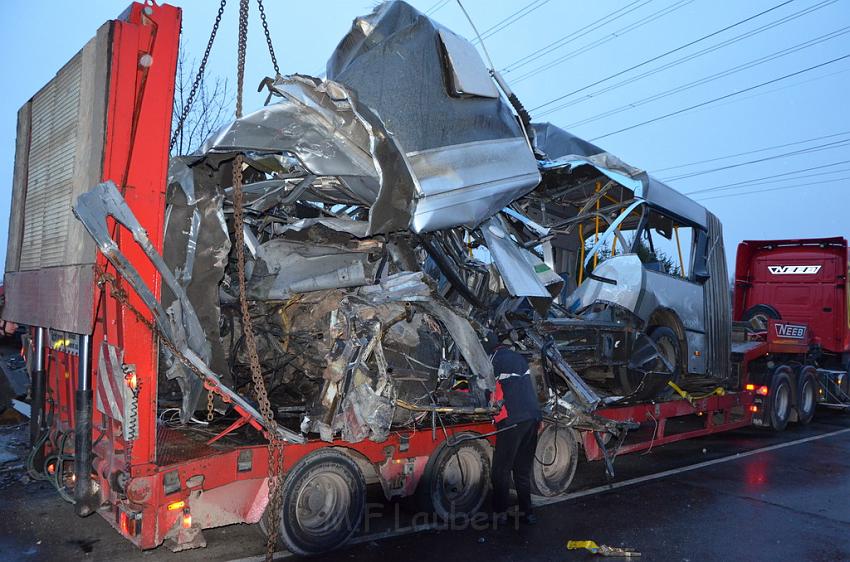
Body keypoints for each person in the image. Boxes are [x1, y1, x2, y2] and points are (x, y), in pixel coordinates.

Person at [483, 331, 542, 525]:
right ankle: (528, 513)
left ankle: (499, 514)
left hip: (512, 420)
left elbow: (485, 391)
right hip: (533, 417)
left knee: (500, 470)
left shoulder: (492, 361)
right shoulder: (517, 357)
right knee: (522, 469)